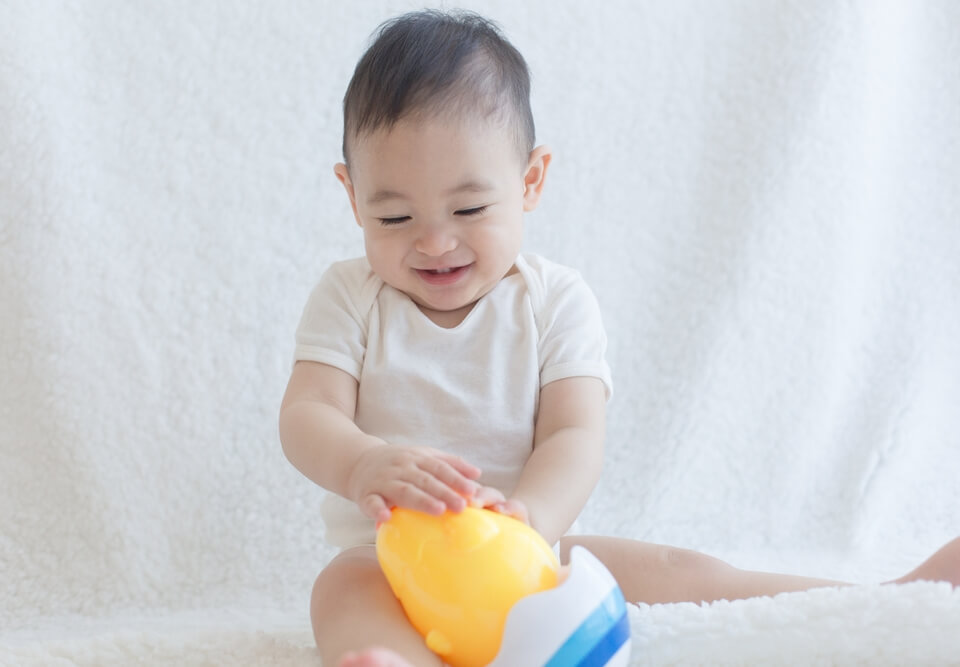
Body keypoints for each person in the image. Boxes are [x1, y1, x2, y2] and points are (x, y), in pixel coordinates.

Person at [279, 9, 960, 667]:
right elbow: (308, 412)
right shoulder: (350, 295)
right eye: (393, 215)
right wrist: (362, 462)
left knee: (678, 567)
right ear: (352, 196)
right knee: (340, 590)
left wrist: (530, 517)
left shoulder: (555, 301)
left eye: (470, 207)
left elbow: (574, 437)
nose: (434, 239)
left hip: (530, 546)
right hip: (391, 559)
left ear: (530, 180)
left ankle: (882, 598)